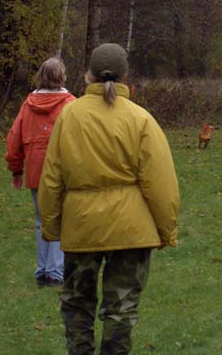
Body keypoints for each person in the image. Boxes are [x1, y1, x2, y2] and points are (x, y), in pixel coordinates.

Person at [38, 43, 180, 355]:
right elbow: (161, 183)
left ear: (87, 74)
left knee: (77, 304)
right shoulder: (141, 119)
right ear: (127, 76)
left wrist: (51, 227)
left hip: (82, 228)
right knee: (122, 308)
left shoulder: (69, 117)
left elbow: (51, 178)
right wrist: (166, 230)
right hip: (131, 231)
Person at [5, 57, 76, 287]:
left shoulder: (28, 105)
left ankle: (43, 269)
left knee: (40, 220)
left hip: (36, 171)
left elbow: (14, 138)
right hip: (61, 172)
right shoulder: (71, 104)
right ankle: (55, 271)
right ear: (61, 77)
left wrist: (17, 169)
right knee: (60, 219)